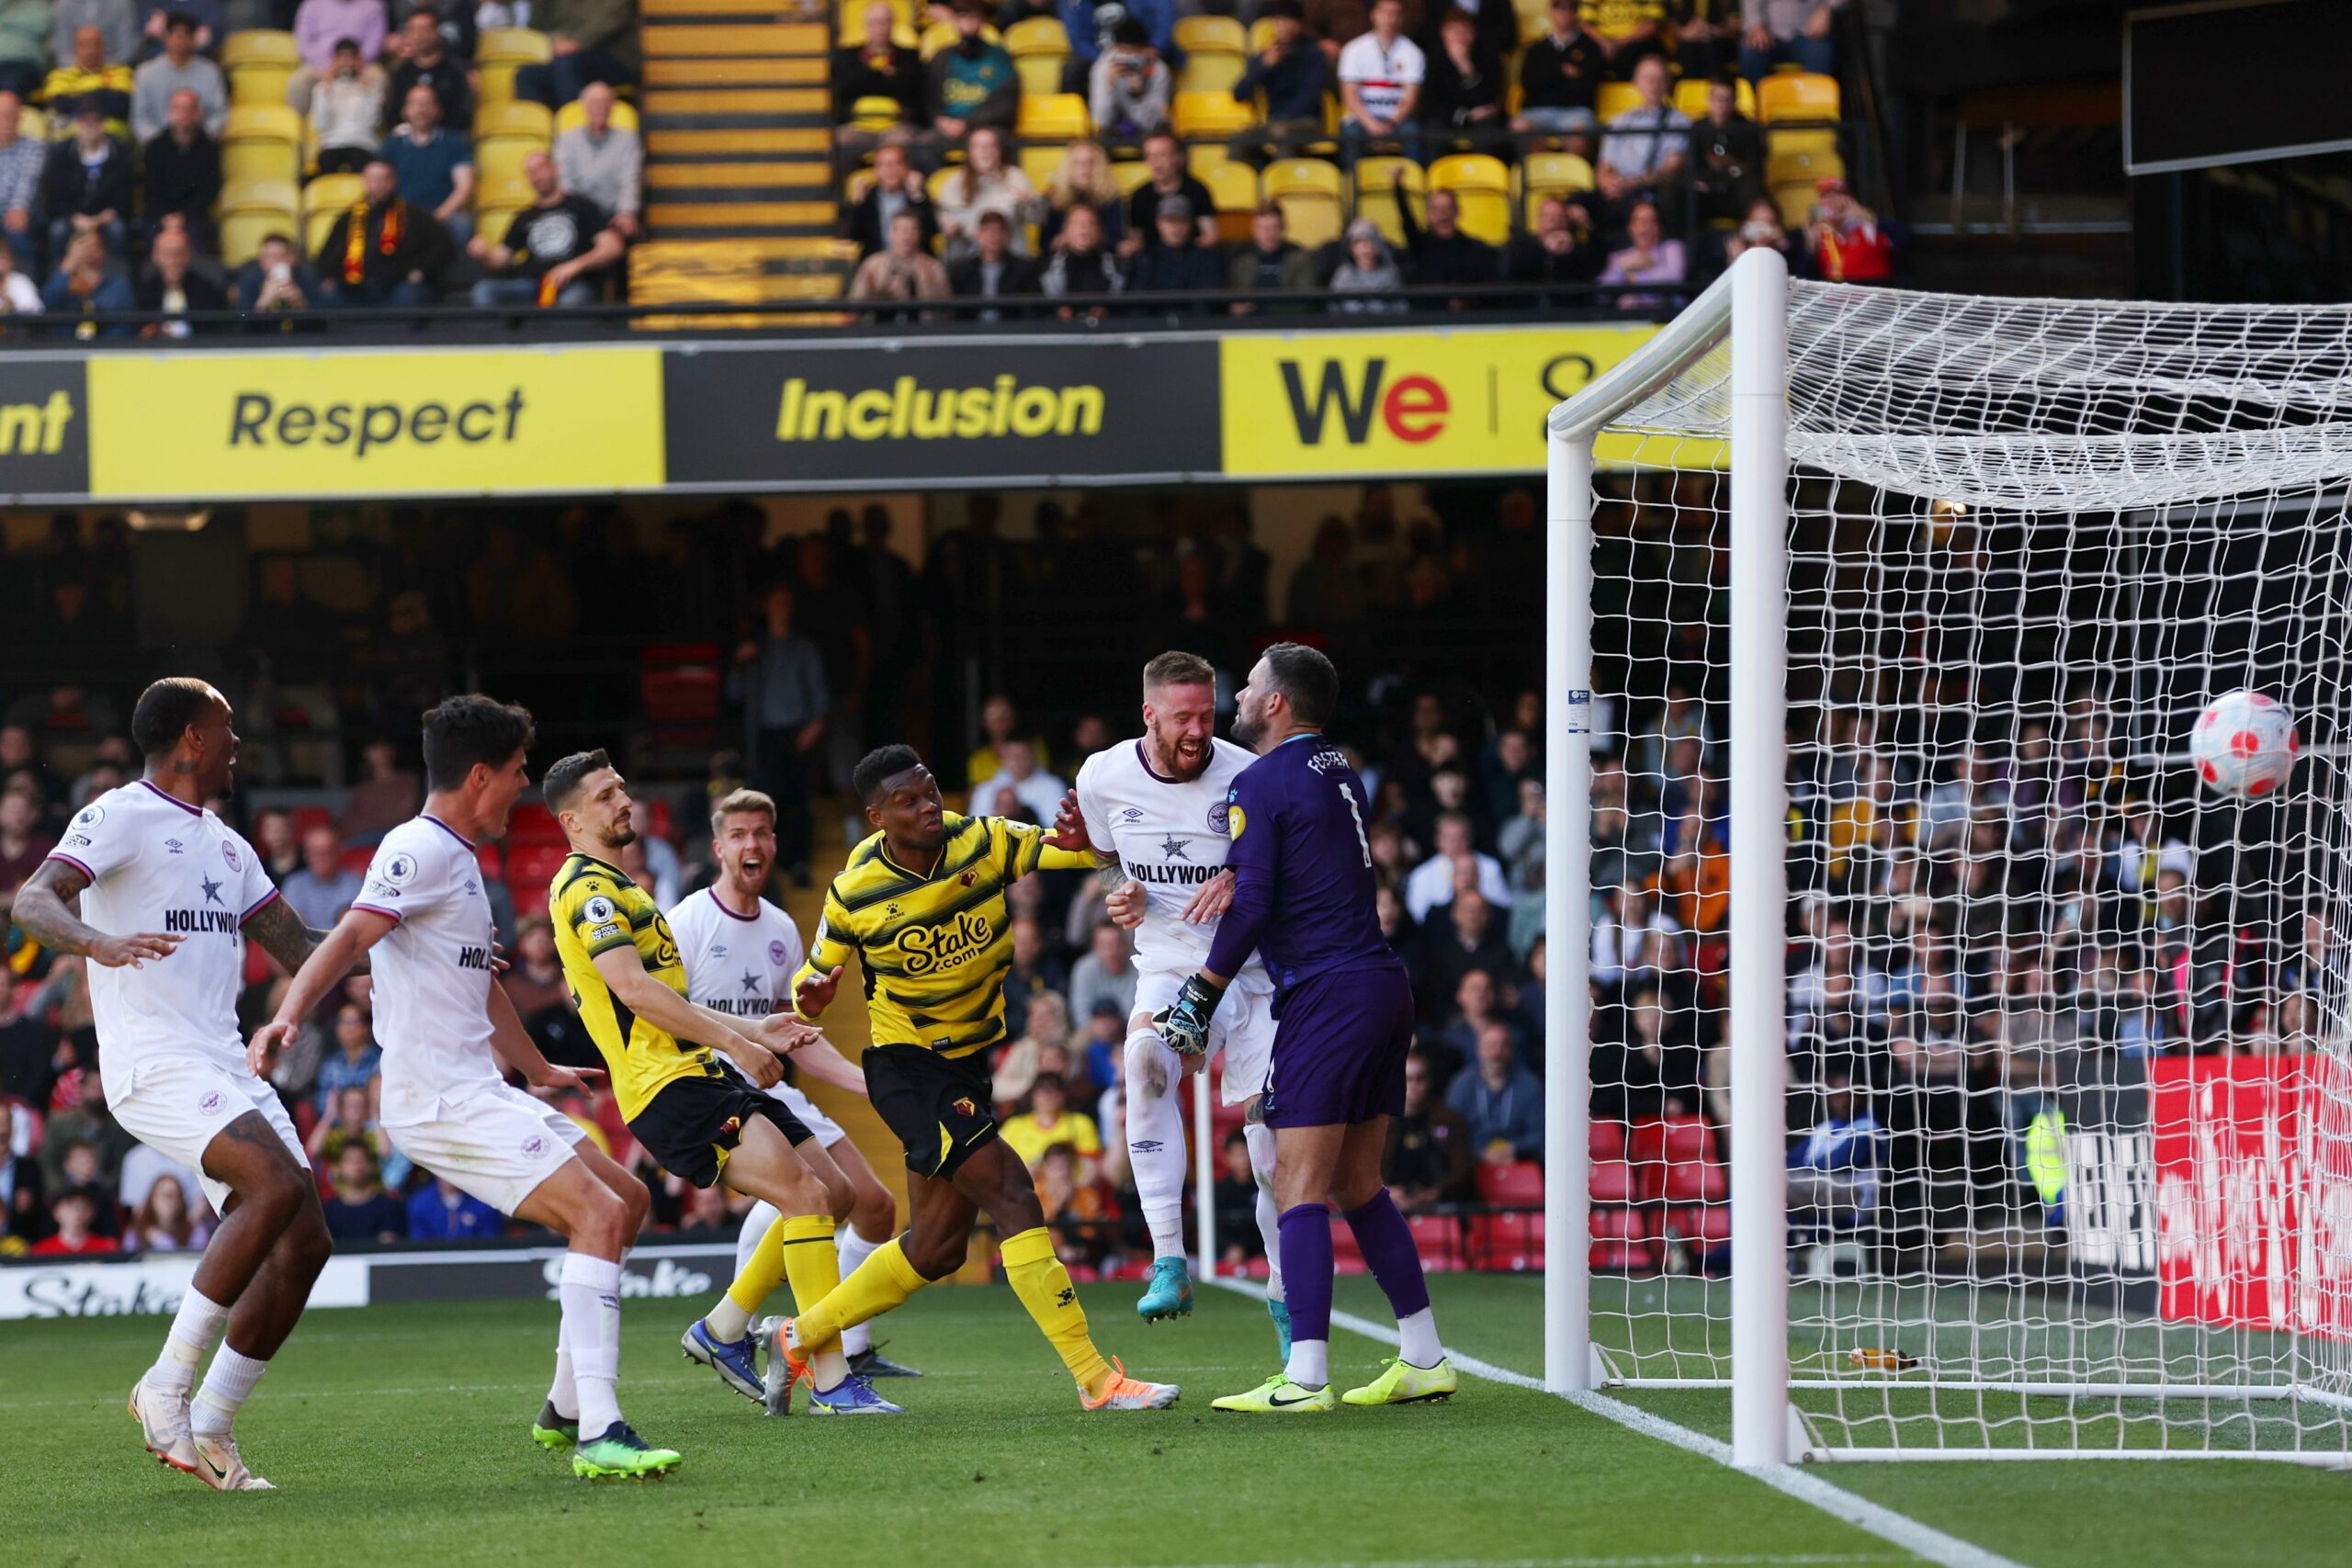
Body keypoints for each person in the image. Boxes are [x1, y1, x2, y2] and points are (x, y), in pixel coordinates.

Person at [253, 698, 680, 1480]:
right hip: (438, 1100)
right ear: (479, 775)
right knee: (597, 1212)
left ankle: (566, 1407)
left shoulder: (459, 858)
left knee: (630, 1200)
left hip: (481, 1085)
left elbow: (480, 983)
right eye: (517, 773)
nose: (523, 788)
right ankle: (603, 1430)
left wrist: (538, 1068)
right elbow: (349, 936)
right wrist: (286, 1017)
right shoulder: (417, 848)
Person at [771, 744, 1181, 1415]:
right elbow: (816, 972)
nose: (929, 805)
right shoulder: (855, 887)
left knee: (935, 1248)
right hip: (908, 1068)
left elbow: (1073, 855)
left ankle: (800, 1334)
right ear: (877, 816)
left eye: (931, 790)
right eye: (909, 800)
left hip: (967, 1063)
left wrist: (1085, 843)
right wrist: (812, 992)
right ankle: (1095, 1379)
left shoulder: (983, 840)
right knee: (1016, 1194)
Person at [15, 677, 337, 1490]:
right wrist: (97, 942)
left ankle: (214, 1426)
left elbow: (300, 944)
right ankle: (164, 1383)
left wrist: (411, 942)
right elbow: (32, 899)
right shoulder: (121, 812)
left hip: (225, 1061)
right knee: (271, 1184)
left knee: (304, 1239)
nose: (237, 743)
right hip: (152, 1062)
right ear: (192, 736)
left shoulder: (228, 844)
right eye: (227, 728)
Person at [1155, 643, 1458, 1410]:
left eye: (1251, 684)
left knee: (1298, 1182)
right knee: (1358, 1181)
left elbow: (1253, 903)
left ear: (1277, 703)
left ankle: (1307, 1376)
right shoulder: (1338, 767)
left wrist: (1202, 989)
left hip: (1327, 994)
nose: (1240, 695)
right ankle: (1424, 1357)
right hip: (1382, 986)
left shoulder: (1263, 778)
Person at [537, 750, 884, 1418]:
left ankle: (723, 1330)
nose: (624, 799)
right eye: (606, 794)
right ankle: (834, 1380)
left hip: (702, 1070)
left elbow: (671, 997)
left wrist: (757, 1032)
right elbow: (636, 994)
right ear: (572, 819)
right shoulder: (590, 891)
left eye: (622, 787)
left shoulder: (629, 890)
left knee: (834, 1192)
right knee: (808, 1195)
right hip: (668, 1085)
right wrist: (735, 1042)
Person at [666, 787, 922, 1382]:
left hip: (772, 1086)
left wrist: (866, 1082)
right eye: (739, 835)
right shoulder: (686, 921)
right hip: (716, 1087)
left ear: (775, 843)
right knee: (807, 1196)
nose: (751, 844)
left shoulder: (782, 927)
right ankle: (740, 1323)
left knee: (876, 1207)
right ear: (718, 847)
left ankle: (845, 1347)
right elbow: (663, 1015)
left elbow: (793, 1033)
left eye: (762, 832)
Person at [1077, 650, 1287, 1342]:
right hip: (1169, 963)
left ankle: (1290, 1308)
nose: (1198, 729)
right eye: (1182, 718)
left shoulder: (1246, 773)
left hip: (1253, 975)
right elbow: (1109, 860)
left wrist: (1240, 874)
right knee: (1142, 1062)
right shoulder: (1102, 777)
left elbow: (1280, 867)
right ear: (1149, 715)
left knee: (1272, 1158)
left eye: (1206, 712)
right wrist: (1123, 893)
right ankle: (1169, 1258)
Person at [729, 581, 828, 886]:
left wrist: (814, 726)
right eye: (777, 601)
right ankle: (765, 865)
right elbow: (734, 694)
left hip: (797, 733)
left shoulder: (804, 648)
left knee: (798, 799)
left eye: (787, 601)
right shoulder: (756, 648)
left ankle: (798, 861)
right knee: (765, 800)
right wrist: (739, 661)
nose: (782, 607)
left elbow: (819, 697)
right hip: (764, 735)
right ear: (766, 606)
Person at [467, 151, 624, 307]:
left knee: (571, 302)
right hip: (530, 284)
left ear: (554, 169)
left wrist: (574, 266)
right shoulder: (524, 216)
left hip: (574, 283)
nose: (536, 176)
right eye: (530, 172)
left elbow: (613, 247)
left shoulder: (581, 206)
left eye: (540, 169)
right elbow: (501, 258)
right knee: (484, 290)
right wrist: (485, 254)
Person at [315, 156, 454, 307]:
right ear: (363, 181)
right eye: (371, 179)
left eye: (382, 179)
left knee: (410, 295)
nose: (376, 185)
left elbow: (443, 247)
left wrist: (420, 271)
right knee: (329, 295)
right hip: (356, 287)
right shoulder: (348, 219)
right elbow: (327, 255)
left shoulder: (413, 215)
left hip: (398, 285)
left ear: (392, 182)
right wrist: (329, 276)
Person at [380, 83, 474, 246]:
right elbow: (378, 184)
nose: (420, 110)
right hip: (401, 214)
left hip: (443, 213)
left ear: (438, 109)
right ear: (405, 110)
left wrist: (439, 215)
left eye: (426, 103)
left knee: (463, 224)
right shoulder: (392, 144)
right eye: (415, 103)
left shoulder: (454, 142)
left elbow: (464, 187)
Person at [1593, 51, 1686, 216]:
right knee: (1578, 202)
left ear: (1667, 83)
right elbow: (1603, 167)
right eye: (1647, 78)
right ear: (1636, 82)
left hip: (1652, 193)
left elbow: (1672, 169)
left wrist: (1633, 184)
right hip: (1618, 192)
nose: (1653, 84)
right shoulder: (1618, 121)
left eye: (1658, 78)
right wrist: (1609, 184)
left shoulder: (1680, 121)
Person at [42, 98, 132, 261]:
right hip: (71, 216)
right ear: (77, 123)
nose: (90, 126)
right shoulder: (60, 153)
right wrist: (74, 217)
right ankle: (59, 279)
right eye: (85, 121)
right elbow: (53, 195)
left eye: (96, 120)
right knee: (58, 232)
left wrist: (101, 218)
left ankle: (117, 281)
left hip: (107, 217)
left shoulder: (121, 153)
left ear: (103, 123)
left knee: (117, 231)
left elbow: (125, 194)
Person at [1336, 0, 1422, 168]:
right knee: (1350, 133)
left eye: (1396, 14)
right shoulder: (1354, 49)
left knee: (1413, 133)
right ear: (1373, 15)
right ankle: (1353, 187)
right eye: (1385, 13)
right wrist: (1372, 125)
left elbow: (1410, 98)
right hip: (1362, 118)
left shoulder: (1413, 52)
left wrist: (1389, 125)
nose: (1391, 19)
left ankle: (1414, 186)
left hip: (1397, 119)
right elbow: (1349, 96)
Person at [1383, 1049, 1472, 1211]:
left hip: (1440, 1202)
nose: (1414, 1085)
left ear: (1430, 1080)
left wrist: (1436, 1192)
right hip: (1391, 1201)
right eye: (1408, 1079)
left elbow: (1462, 1171)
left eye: (1420, 1078)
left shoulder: (1449, 1119)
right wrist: (1387, 1190)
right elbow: (1367, 1169)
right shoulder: (1382, 1124)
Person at [933, 124, 1035, 265]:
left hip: (1010, 255)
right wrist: (948, 227)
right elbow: (943, 222)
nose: (984, 152)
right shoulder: (953, 183)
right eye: (977, 147)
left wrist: (1028, 203)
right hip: (968, 254)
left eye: (990, 146)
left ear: (999, 151)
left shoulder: (1016, 177)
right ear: (969, 152)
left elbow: (1036, 220)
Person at [1233, 0, 1328, 152]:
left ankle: (1284, 174)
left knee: (1280, 133)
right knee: (1240, 138)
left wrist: (1281, 121)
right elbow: (1239, 93)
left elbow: (1310, 96)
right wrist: (1264, 67)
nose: (1283, 26)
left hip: (1307, 122)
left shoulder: (1313, 54)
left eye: (1289, 20)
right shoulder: (1267, 56)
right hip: (1273, 123)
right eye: (1278, 20)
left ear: (1299, 24)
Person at [834, 0, 922, 164]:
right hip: (857, 126)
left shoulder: (909, 57)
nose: (881, 28)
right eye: (875, 22)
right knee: (840, 141)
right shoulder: (847, 56)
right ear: (865, 25)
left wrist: (872, 78)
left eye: (885, 21)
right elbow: (846, 87)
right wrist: (881, 75)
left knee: (905, 142)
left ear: (893, 25)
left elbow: (909, 88)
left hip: (896, 127)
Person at [551, 81, 640, 240]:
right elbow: (565, 182)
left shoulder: (628, 139)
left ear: (613, 106)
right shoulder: (566, 140)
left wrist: (626, 212)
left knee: (629, 228)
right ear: (583, 106)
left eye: (605, 102)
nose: (600, 108)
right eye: (593, 103)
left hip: (613, 215)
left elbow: (630, 180)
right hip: (578, 214)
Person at [925, 0, 1016, 153]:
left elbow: (1006, 103)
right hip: (948, 127)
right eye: (963, 17)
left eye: (974, 18)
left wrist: (968, 122)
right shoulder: (942, 57)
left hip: (986, 126)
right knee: (923, 146)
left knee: (991, 142)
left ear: (983, 22)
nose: (969, 24)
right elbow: (929, 97)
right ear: (955, 21)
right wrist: (940, 119)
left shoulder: (1000, 57)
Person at [1445, 1021, 1542, 1162]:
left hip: (1519, 1160)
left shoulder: (1530, 1084)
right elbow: (1449, 1131)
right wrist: (1479, 1152)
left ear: (1511, 1050)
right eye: (1490, 1046)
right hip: (1471, 1164)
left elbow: (1541, 1131)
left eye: (1503, 1046)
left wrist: (1515, 1148)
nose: (1497, 1053)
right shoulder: (1462, 1084)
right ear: (1478, 1049)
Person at [514, 0, 639, 108]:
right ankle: (538, 131)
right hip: (567, 58)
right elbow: (537, 27)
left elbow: (615, 17)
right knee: (527, 75)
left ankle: (574, 126)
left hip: (613, 56)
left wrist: (577, 43)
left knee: (566, 66)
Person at [129, 11, 220, 144]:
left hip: (200, 146)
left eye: (185, 35)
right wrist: (161, 143)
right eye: (175, 35)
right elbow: (140, 118)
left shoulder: (210, 72)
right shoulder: (145, 73)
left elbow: (218, 114)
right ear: (165, 37)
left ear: (194, 38)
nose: (179, 41)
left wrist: (200, 139)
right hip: (157, 147)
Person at [1512, 0, 1599, 142]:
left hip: (1575, 111)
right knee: (1521, 127)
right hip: (1537, 111)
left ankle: (1572, 166)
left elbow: (1587, 87)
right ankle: (1539, 165)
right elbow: (1528, 83)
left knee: (1577, 133)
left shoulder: (1590, 47)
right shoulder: (1536, 49)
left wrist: (1546, 75)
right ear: (1551, 11)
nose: (1565, 13)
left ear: (1576, 12)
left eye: (1570, 8)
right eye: (1559, 8)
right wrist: (1562, 71)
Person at [1121, 128, 1215, 256]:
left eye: (1162, 155)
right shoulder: (1140, 196)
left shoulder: (1197, 191)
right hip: (1152, 264)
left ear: (1178, 158)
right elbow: (1136, 239)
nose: (1157, 164)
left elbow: (1210, 236)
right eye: (1151, 157)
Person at [1419, 7, 1502, 151]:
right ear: (1443, 34)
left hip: (1482, 120)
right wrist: (1465, 115)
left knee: (1488, 130)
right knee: (1434, 130)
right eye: (1454, 31)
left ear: (1474, 34)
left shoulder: (1489, 56)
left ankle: (1484, 172)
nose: (1460, 37)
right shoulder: (1435, 59)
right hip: (1449, 118)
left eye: (1465, 31)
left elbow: (1489, 102)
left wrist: (1467, 69)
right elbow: (1430, 104)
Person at [141, 86, 217, 243]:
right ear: (170, 112)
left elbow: (209, 190)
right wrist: (167, 217)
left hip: (194, 216)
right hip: (159, 215)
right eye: (178, 108)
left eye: (189, 108)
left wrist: (182, 216)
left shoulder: (209, 148)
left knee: (195, 234)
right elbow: (150, 190)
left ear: (198, 113)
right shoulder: (155, 147)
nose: (184, 113)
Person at [1395, 183, 1496, 293]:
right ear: (1429, 215)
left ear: (1457, 212)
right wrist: (1397, 187)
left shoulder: (1475, 249)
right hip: (1429, 308)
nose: (1443, 213)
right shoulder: (1420, 246)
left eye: (1448, 208)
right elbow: (1408, 223)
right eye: (1436, 209)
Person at [844, 141, 936, 260]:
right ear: (875, 170)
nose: (890, 170)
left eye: (895, 164)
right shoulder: (868, 198)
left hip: (915, 261)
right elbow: (853, 236)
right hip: (877, 261)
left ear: (906, 168)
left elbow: (931, 232)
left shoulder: (916, 196)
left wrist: (917, 196)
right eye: (883, 165)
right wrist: (859, 203)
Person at [1689, 73, 1761, 225]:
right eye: (1716, 98)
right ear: (1708, 99)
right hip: (1707, 193)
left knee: (1753, 192)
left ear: (1735, 101)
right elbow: (1693, 166)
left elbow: (1753, 167)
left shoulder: (1748, 128)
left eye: (1726, 99)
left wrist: (1730, 165)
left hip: (1737, 192)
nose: (1721, 104)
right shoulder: (1697, 128)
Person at [384, 10, 471, 132]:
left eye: (426, 29)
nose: (420, 35)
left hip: (447, 139)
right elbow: (392, 114)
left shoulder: (456, 70)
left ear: (437, 32)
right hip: (408, 139)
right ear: (407, 35)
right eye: (414, 30)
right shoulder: (400, 72)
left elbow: (463, 113)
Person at [998, 1070, 1103, 1172]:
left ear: (1064, 1095)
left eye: (1055, 1090)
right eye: (1043, 1090)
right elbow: (1003, 1166)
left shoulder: (1081, 1123)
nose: (1049, 1095)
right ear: (1033, 1095)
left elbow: (1091, 1167)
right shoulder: (1014, 1126)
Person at [1125, 193, 1222, 303]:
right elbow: (1137, 305)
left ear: (1191, 223)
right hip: (1155, 320)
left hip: (1194, 320)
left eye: (1181, 220)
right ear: (1158, 223)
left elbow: (1207, 304)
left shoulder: (1207, 259)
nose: (1176, 227)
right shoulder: (1146, 259)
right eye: (1170, 221)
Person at [40, 27, 132, 142]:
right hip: (71, 139)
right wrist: (101, 96)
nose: (91, 50)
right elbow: (60, 104)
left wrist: (78, 100)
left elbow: (122, 104)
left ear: (103, 48)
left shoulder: (120, 72)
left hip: (112, 138)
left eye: (96, 44)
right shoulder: (59, 76)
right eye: (84, 45)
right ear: (76, 48)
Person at [946, 208, 1041, 319]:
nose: (993, 236)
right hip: (970, 332)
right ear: (978, 235)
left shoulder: (1025, 269)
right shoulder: (960, 270)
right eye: (988, 231)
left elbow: (1035, 310)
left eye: (999, 231)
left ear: (1007, 235)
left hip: (1012, 331)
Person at [1088, 15, 1170, 144]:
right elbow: (1101, 121)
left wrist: (1138, 96)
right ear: (1116, 48)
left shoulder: (1157, 70)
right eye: (1124, 51)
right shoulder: (1103, 67)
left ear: (1145, 49)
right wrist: (1108, 88)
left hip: (1145, 134)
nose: (1129, 57)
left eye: (1134, 51)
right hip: (1111, 134)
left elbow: (1152, 125)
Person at [309, 37, 383, 175]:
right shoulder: (321, 89)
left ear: (359, 61)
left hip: (362, 143)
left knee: (360, 160)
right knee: (326, 162)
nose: (347, 63)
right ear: (334, 61)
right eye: (342, 58)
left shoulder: (372, 87)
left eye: (351, 58)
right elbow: (322, 125)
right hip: (332, 143)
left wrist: (366, 92)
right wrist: (328, 90)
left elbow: (371, 123)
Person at [131, 221, 221, 335]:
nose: (174, 261)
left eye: (179, 253)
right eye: (168, 254)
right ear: (155, 256)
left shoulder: (207, 291)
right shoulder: (143, 291)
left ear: (188, 255)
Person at [1504, 194, 1603, 293]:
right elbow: (1516, 272)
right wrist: (1546, 251)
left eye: (1560, 217)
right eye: (1548, 216)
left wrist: (1586, 226)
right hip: (1532, 304)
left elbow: (1597, 265)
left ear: (1568, 221)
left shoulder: (1579, 250)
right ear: (1539, 221)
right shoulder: (1523, 247)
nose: (1554, 221)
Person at [1227, 202, 1315, 312]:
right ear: (1254, 230)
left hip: (1287, 322)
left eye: (1274, 227)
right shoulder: (1241, 259)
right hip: (1248, 324)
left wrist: (1259, 308)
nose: (1269, 234)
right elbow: (1232, 298)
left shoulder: (1299, 257)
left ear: (1284, 228)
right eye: (1263, 228)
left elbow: (1306, 301)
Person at [1804, 175, 1893, 284]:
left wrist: (1863, 214)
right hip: (1835, 296)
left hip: (1871, 294)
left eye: (1838, 196)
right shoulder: (1822, 233)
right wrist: (1810, 244)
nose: (1833, 202)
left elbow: (1904, 238)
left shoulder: (1867, 226)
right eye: (1827, 197)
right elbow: (1804, 275)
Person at [1598, 196, 1684, 308]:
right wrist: (1621, 267)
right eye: (1639, 221)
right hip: (1633, 321)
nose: (1645, 227)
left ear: (1660, 227)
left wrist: (1636, 278)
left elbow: (1675, 277)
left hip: (1669, 315)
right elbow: (1602, 294)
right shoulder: (1618, 257)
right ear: (1631, 227)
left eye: (1651, 221)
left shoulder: (1672, 247)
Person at [1040, 136, 1121, 249]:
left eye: (1090, 162)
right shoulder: (1054, 198)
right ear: (1068, 167)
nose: (1084, 168)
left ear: (1100, 167)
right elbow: (1044, 244)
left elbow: (1116, 242)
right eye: (1077, 162)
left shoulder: (1111, 199)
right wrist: (1059, 242)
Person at [1040, 200, 1121, 310]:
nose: (1083, 228)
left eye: (1090, 223)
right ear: (1065, 232)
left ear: (1100, 231)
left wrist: (1107, 311)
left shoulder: (1118, 266)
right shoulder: (1043, 268)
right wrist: (1057, 312)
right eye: (1076, 223)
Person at [321, 1141, 406, 1243]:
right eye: (350, 1160)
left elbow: (388, 1246)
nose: (356, 1164)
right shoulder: (328, 1211)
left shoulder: (389, 1207)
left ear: (372, 1165)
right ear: (339, 1167)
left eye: (361, 1159)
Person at [281, 822, 361, 931]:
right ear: (306, 855)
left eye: (328, 852)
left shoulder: (356, 884)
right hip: (304, 946)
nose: (322, 858)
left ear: (338, 852)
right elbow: (289, 930)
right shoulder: (294, 884)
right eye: (315, 853)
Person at [1740, 0, 1838, 82]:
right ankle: (1759, 101)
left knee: (1821, 50)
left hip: (1809, 34)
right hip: (1769, 34)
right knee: (1750, 51)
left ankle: (1817, 101)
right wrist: (1757, 27)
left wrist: (1827, 8)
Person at [1328, 216, 1405, 312]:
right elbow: (1334, 310)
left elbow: (1401, 309)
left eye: (1371, 241)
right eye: (1359, 242)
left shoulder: (1390, 274)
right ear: (1350, 249)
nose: (1366, 248)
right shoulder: (1343, 276)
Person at [233, 231, 315, 316]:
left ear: (293, 258)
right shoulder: (249, 283)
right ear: (262, 261)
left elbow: (321, 323)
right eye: (270, 257)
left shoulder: (306, 281)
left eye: (282, 256)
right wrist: (263, 301)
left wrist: (301, 303)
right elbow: (241, 321)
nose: (276, 261)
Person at [406, 1173, 501, 1239]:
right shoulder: (420, 1204)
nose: (448, 1176)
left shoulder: (483, 1203)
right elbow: (420, 1247)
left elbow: (490, 1244)